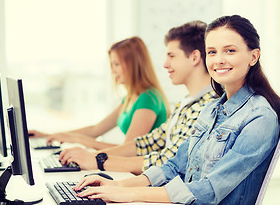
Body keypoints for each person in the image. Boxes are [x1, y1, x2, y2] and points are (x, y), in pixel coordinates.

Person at [72, 15, 280, 205]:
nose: (218, 59)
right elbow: (174, 165)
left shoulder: (260, 117)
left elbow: (209, 191)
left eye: (230, 51)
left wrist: (130, 194)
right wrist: (119, 187)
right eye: (212, 52)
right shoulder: (212, 109)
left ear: (253, 56)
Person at [59, 20, 218, 174]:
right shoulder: (186, 103)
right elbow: (147, 142)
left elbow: (171, 160)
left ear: (195, 57)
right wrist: (94, 157)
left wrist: (99, 160)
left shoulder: (208, 108)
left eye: (172, 56)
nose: (165, 64)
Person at [29, 36, 169, 150]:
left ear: (133, 64)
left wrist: (80, 141)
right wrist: (50, 135)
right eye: (112, 65)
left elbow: (128, 150)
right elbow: (96, 129)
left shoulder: (148, 98)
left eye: (116, 64)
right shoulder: (131, 97)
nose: (113, 71)